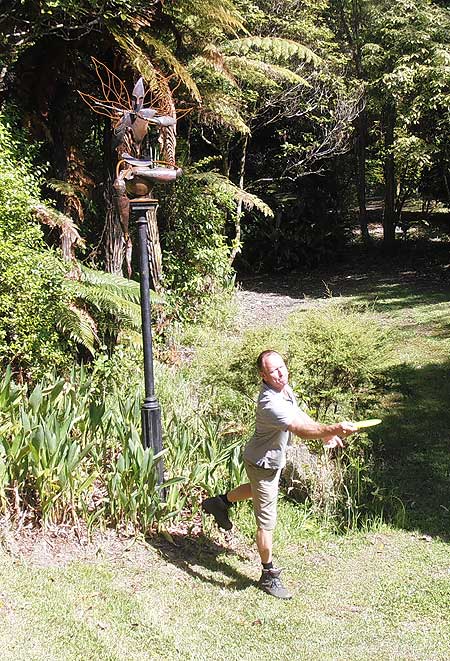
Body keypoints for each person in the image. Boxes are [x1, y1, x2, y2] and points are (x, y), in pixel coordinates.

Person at [201, 349, 357, 600]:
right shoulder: (269, 402)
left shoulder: (283, 389)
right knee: (266, 521)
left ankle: (219, 503)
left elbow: (298, 415)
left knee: (259, 491)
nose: (280, 373)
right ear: (263, 375)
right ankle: (268, 574)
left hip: (265, 461)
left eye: (281, 367)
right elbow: (300, 430)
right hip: (262, 464)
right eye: (273, 370)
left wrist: (326, 433)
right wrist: (334, 428)